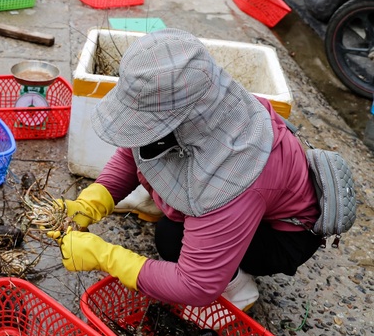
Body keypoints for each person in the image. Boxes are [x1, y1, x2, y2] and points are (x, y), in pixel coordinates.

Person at [51, 28, 323, 311]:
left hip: (283, 233)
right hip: (248, 196)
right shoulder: (206, 97)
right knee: (175, 227)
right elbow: (137, 150)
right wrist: (94, 199)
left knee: (171, 241)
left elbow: (195, 284)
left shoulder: (232, 174)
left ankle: (237, 289)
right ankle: (171, 203)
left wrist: (105, 256)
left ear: (181, 122)